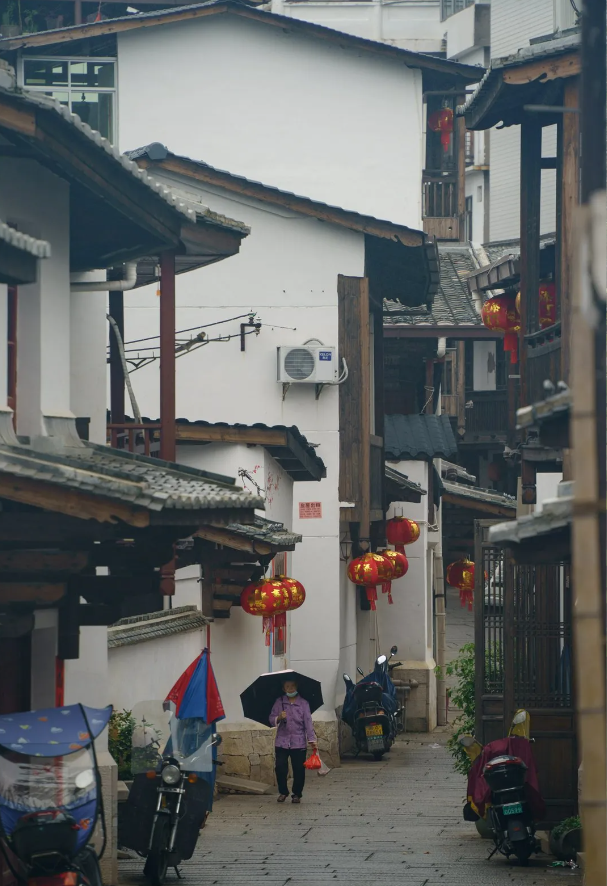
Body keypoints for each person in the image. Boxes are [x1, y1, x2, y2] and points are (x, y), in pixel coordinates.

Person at [269, 679, 317, 803]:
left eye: (292, 686)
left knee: (299, 769)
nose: (290, 689)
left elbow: (308, 722)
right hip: (282, 741)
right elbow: (271, 719)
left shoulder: (303, 703)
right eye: (287, 686)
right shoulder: (279, 702)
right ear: (283, 689)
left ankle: (297, 793)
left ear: (296, 687)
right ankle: (283, 791)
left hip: (299, 742)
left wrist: (312, 739)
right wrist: (278, 717)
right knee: (280, 767)